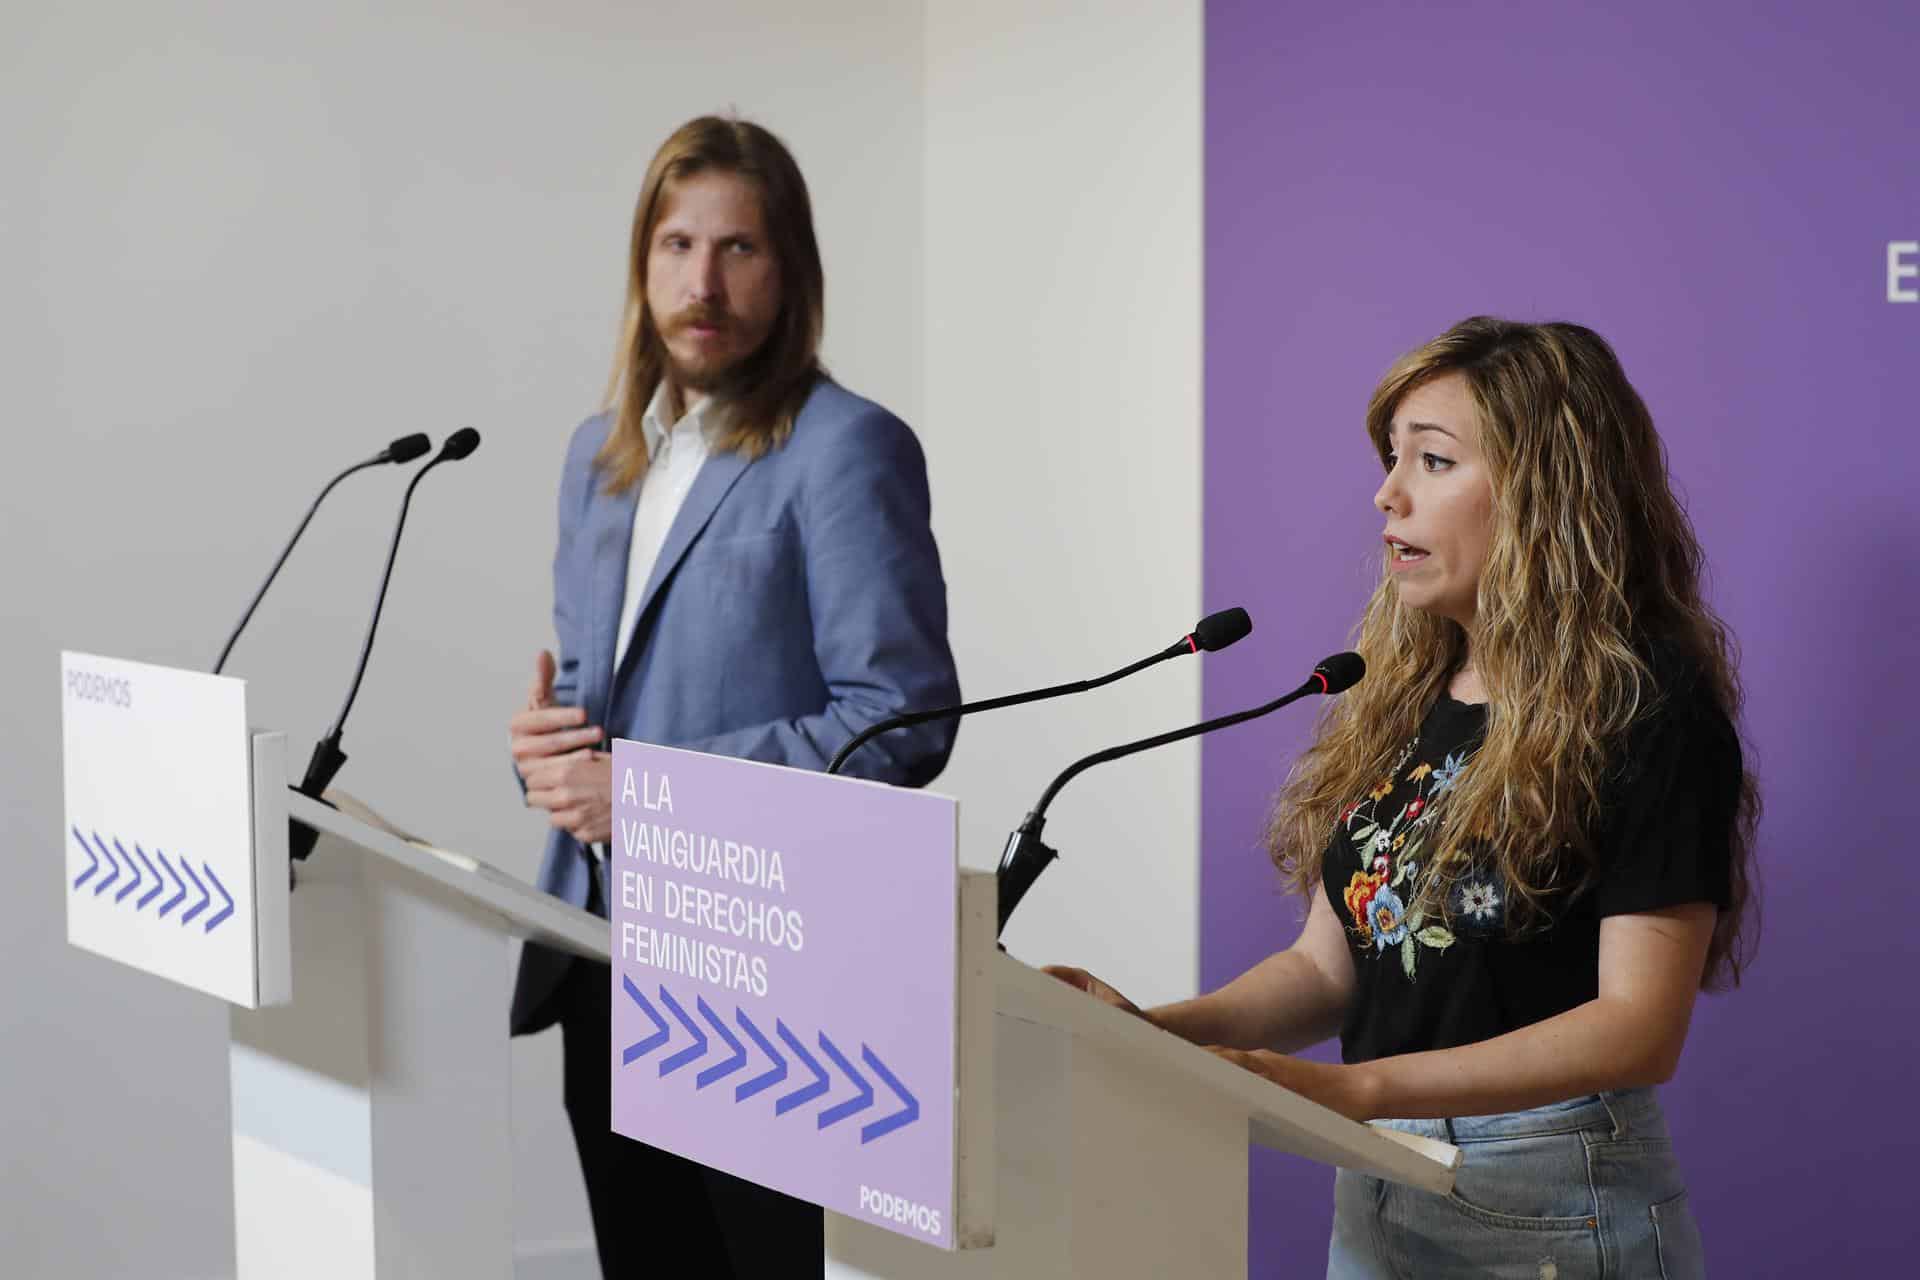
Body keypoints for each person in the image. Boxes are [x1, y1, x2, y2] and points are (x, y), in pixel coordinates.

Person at [1049, 317, 1757, 1279]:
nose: (1387, 493)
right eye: (1393, 460)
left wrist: (1354, 1087)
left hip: (1549, 1200)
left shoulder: (1648, 710)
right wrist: (1152, 1032)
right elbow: (1329, 969)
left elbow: (1639, 1026)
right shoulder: (1405, 692)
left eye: (1431, 460)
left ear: (1546, 492)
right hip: (1380, 1180)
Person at [507, 115, 960, 1279]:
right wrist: (546, 759)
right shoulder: (596, 458)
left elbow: (901, 716)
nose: (701, 282)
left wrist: (647, 790)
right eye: (675, 244)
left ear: (791, 269)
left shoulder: (846, 448)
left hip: (766, 974)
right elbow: (604, 716)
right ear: (641, 262)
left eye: (739, 248)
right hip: (602, 952)